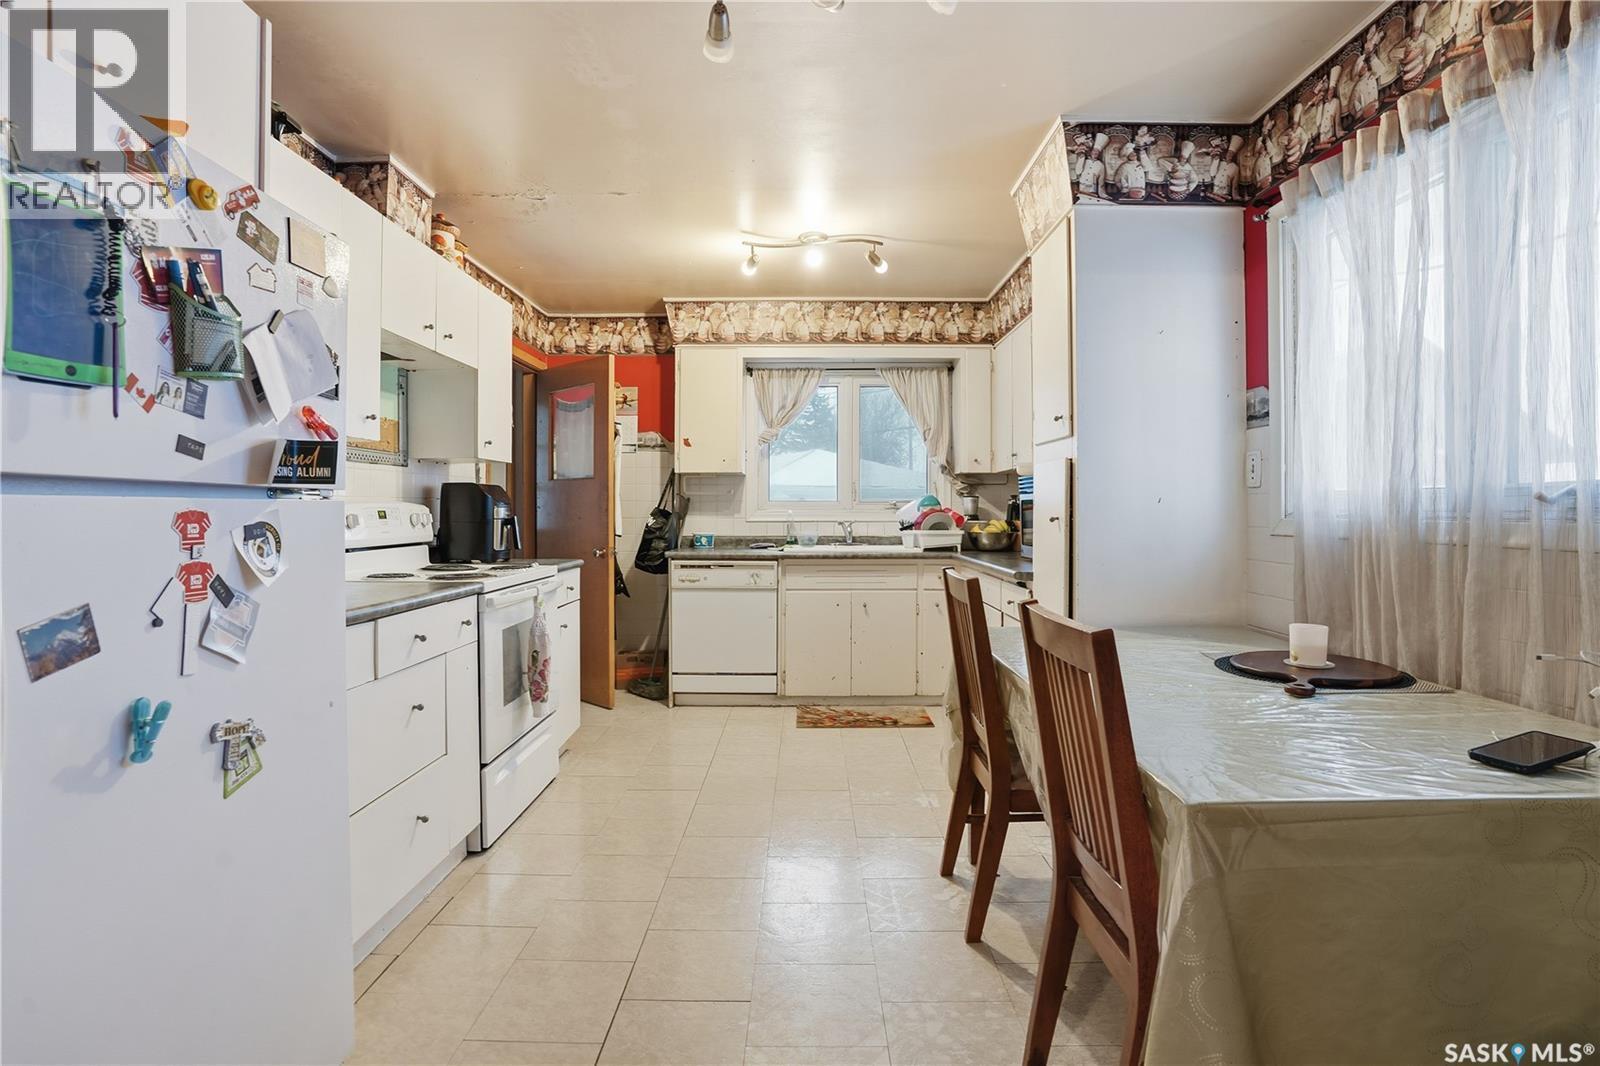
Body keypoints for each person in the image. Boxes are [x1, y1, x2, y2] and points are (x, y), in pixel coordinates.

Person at [1398, 3, 1441, 93]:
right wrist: (1405, 52)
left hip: (1420, 67)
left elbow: (1432, 46)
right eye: (1413, 30)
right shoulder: (1407, 41)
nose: (1414, 33)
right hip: (1408, 69)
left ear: (1420, 30)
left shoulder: (1426, 38)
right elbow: (1392, 54)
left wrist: (1425, 64)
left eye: (1417, 30)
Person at [1208, 134, 1245, 202]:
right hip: (1215, 193)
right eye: (1229, 153)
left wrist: (1235, 196)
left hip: (1226, 195)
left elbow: (1235, 185)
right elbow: (1212, 173)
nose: (1229, 156)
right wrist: (1216, 160)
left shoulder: (1235, 167)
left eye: (1232, 154)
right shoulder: (1218, 162)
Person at [1077, 133, 1109, 199]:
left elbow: (1101, 182)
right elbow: (1078, 171)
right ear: (1091, 152)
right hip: (1082, 188)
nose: (1095, 153)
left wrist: (1103, 195)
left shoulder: (1101, 165)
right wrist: (1081, 158)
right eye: (1094, 151)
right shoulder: (1084, 161)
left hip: (1092, 189)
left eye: (1097, 152)